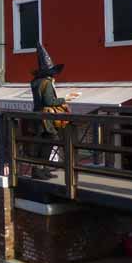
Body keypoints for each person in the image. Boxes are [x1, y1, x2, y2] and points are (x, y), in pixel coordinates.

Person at [29, 44, 80, 180]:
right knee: (47, 143)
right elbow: (49, 101)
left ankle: (42, 169)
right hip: (45, 119)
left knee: (43, 143)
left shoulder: (36, 82)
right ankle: (39, 170)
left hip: (38, 116)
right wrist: (65, 98)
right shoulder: (46, 83)